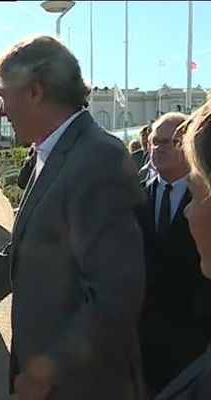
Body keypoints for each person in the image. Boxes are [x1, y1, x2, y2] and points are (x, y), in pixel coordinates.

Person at [0, 35, 147, 400]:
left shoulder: (97, 160)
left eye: (4, 94)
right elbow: (26, 251)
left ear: (35, 92)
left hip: (83, 385)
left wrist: (48, 371)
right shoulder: (56, 152)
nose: (3, 110)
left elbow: (115, 294)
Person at [137, 113, 211, 397]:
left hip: (193, 337)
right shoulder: (136, 195)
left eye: (167, 143)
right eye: (154, 142)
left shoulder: (203, 198)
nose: (157, 149)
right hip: (144, 338)